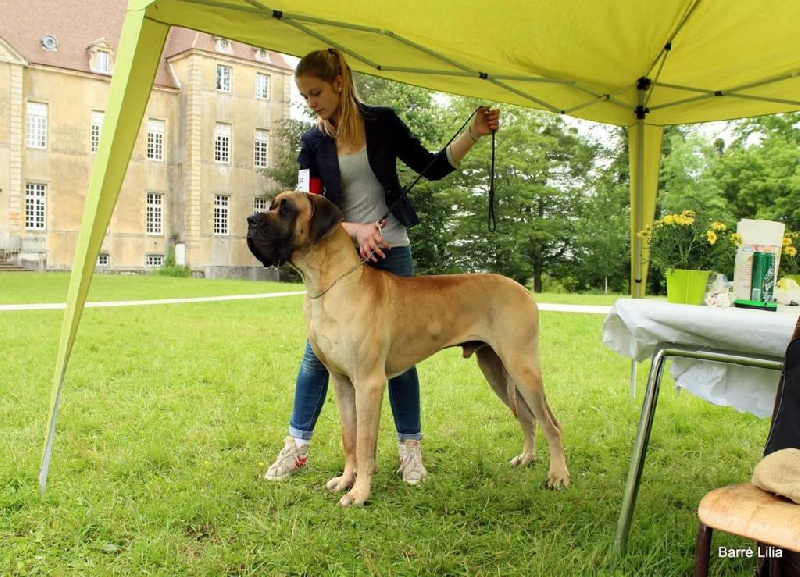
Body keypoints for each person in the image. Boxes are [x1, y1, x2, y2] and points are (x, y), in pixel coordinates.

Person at [265, 47, 500, 485]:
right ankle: (297, 447)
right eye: (304, 95)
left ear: (339, 84)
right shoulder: (312, 142)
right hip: (339, 258)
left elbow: (431, 167)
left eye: (315, 92)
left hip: (392, 250)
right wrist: (355, 231)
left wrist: (473, 133)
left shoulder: (384, 122)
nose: (310, 102)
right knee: (319, 358)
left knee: (401, 359)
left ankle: (410, 450)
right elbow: (307, 208)